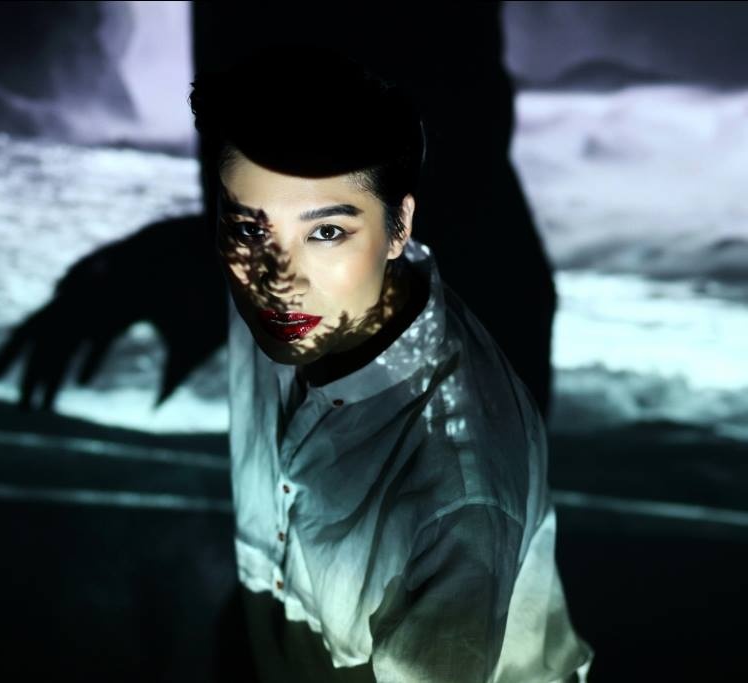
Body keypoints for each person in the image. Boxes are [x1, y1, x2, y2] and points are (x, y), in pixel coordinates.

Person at [189, 44, 594, 683]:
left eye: (326, 232)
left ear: (399, 225)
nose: (276, 278)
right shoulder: (286, 310)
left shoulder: (454, 498)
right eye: (247, 228)